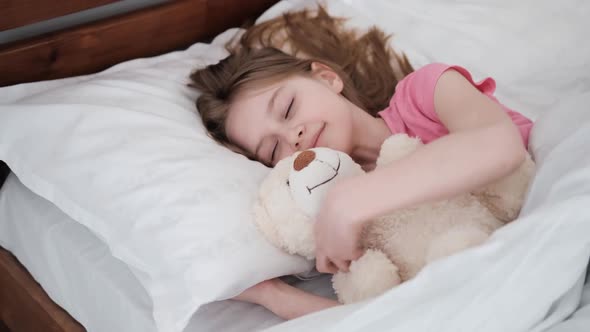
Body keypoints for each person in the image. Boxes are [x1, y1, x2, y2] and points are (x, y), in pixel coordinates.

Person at [188, 7, 533, 320]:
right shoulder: (332, 218)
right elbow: (387, 315)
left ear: (326, 78)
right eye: (273, 148)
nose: (292, 136)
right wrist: (273, 296)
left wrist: (352, 200)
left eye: (289, 108)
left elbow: (500, 144)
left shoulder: (424, 93)